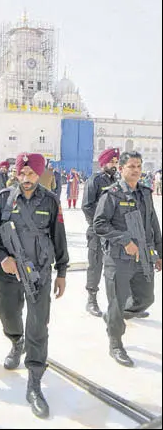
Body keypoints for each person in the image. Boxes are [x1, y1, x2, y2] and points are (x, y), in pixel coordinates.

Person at [0, 152, 69, 418]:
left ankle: (34, 381)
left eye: (31, 174)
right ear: (16, 173)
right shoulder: (3, 198)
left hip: (40, 273)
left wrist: (62, 271)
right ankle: (15, 342)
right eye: (22, 173)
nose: (26, 178)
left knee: (38, 324)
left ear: (39, 174)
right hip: (10, 271)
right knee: (7, 313)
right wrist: (2, 257)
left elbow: (59, 237)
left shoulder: (51, 201)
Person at [93, 151, 162, 367]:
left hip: (144, 256)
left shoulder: (145, 193)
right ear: (121, 169)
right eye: (131, 166)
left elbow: (153, 224)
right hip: (118, 259)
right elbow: (100, 224)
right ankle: (115, 343)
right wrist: (123, 240)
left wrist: (159, 252)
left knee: (145, 298)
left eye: (139, 166)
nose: (136, 170)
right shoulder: (112, 194)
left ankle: (115, 315)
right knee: (117, 300)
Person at [81, 148, 120, 317]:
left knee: (117, 267)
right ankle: (91, 300)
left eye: (116, 162)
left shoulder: (118, 182)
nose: (114, 165)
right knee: (95, 265)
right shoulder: (95, 180)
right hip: (98, 231)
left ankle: (121, 302)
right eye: (111, 162)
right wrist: (101, 225)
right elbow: (87, 206)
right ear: (103, 163)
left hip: (114, 232)